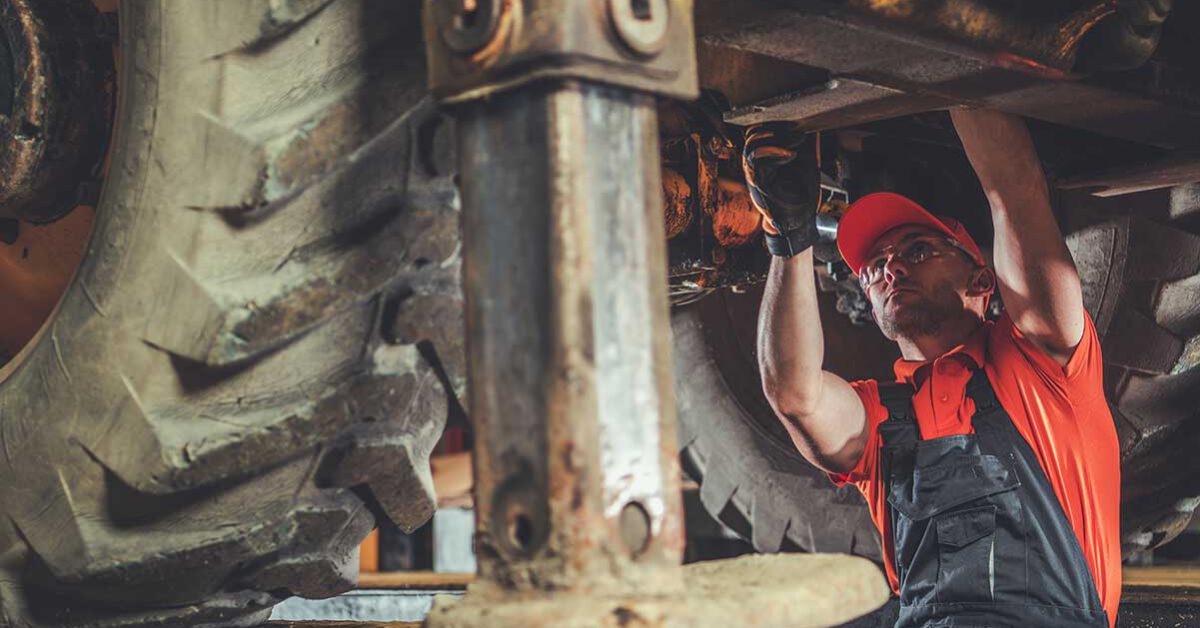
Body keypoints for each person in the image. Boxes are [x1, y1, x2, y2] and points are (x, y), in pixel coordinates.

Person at [747, 109, 1120, 627]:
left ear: (982, 281)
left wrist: (950, 74)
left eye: (918, 250)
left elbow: (1014, 193)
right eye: (875, 267)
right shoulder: (881, 422)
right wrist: (790, 239)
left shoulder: (1041, 365)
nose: (892, 268)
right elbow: (795, 394)